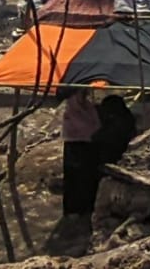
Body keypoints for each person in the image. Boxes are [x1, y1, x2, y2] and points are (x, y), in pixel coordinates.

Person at [57, 82, 103, 232]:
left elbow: (94, 125)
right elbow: (87, 127)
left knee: (86, 177)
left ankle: (85, 208)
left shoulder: (87, 107)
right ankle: (73, 211)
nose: (86, 94)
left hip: (86, 145)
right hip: (75, 144)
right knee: (74, 179)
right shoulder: (72, 110)